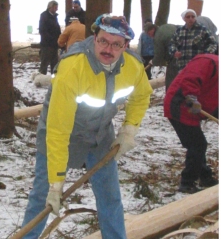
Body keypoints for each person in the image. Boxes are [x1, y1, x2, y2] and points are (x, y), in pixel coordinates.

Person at [21, 13, 153, 239]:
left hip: (100, 136)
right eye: (103, 40)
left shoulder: (132, 67)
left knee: (110, 198)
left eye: (116, 44)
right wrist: (56, 182)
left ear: (125, 46)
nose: (108, 49)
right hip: (60, 136)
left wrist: (129, 129)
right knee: (43, 198)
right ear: (94, 37)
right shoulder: (73, 67)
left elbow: (142, 95)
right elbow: (58, 130)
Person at [164, 54, 218, 194]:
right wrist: (192, 97)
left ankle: (205, 177)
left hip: (197, 108)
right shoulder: (209, 62)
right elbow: (191, 79)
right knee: (197, 144)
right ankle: (187, 183)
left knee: (197, 144)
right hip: (180, 105)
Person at [145, 23, 180, 90]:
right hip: (184, 54)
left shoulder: (158, 37)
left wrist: (153, 62)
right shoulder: (167, 26)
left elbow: (159, 55)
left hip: (173, 59)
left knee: (171, 80)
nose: (150, 36)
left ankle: (171, 97)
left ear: (153, 29)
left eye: (149, 33)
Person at [38, 0, 61, 75]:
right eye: (55, 7)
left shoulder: (55, 17)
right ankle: (40, 80)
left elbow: (57, 29)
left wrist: (59, 38)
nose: (56, 9)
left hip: (55, 44)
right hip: (46, 44)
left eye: (57, 8)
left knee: (54, 64)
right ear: (50, 7)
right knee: (44, 63)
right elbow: (43, 30)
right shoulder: (44, 16)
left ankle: (53, 79)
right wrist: (51, 39)